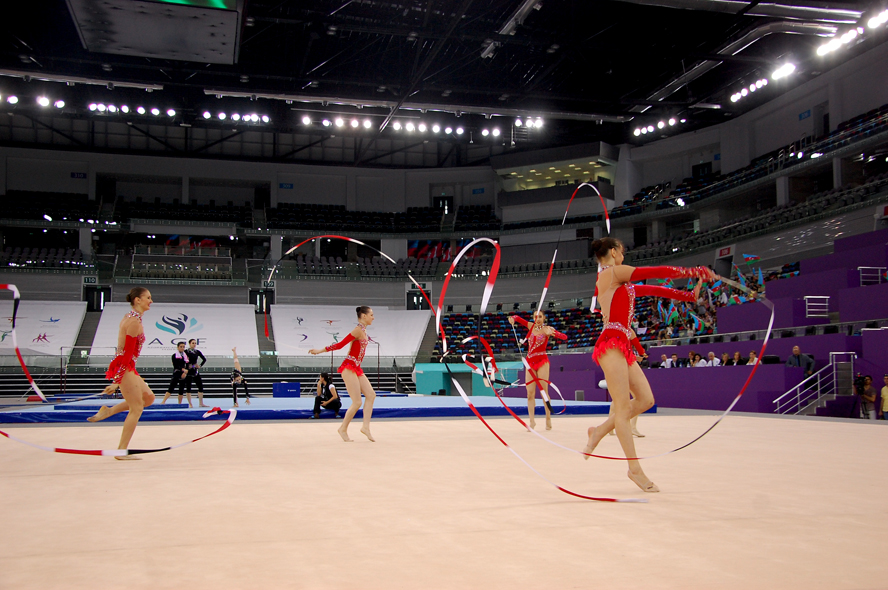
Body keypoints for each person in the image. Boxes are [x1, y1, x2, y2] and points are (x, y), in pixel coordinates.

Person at [582, 237, 715, 493]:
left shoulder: (624, 284)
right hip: (610, 344)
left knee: (645, 400)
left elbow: (656, 289)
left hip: (623, 345)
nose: (624, 254)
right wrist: (691, 271)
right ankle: (634, 470)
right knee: (622, 409)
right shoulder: (611, 274)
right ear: (613, 252)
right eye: (622, 250)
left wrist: (688, 295)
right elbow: (654, 273)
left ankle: (597, 432)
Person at [86, 287, 156, 460]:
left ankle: (108, 411)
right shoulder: (134, 322)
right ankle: (121, 450)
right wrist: (117, 380)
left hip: (127, 366)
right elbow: (125, 353)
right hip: (125, 366)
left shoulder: (131, 317)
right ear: (137, 300)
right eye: (148, 297)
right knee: (137, 408)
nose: (151, 301)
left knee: (148, 398)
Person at [309, 306, 376, 442]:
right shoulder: (357, 330)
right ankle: (343, 429)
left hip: (356, 367)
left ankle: (365, 427)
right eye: (371, 315)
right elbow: (340, 345)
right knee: (357, 402)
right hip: (349, 367)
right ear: (363, 316)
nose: (373, 317)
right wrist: (319, 350)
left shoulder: (363, 330)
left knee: (371, 395)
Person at [509, 310, 568, 431]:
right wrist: (512, 319)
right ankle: (532, 421)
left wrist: (552, 333)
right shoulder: (530, 326)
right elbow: (517, 318)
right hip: (530, 362)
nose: (538, 318)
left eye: (540, 316)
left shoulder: (547, 329)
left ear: (544, 318)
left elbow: (565, 337)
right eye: (536, 316)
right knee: (530, 394)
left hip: (542, 361)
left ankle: (548, 418)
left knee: (544, 392)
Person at [160, 342, 192, 407]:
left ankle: (180, 403)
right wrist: (183, 370)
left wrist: (185, 372)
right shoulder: (174, 356)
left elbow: (188, 365)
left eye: (183, 347)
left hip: (183, 374)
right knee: (171, 388)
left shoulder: (185, 356)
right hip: (177, 373)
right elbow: (176, 365)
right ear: (178, 347)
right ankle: (163, 401)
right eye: (181, 347)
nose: (182, 348)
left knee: (181, 389)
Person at [185, 338, 209, 408]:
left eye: (195, 343)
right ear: (189, 344)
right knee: (188, 388)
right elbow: (183, 360)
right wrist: (186, 367)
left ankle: (201, 403)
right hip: (188, 371)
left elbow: (204, 359)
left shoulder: (197, 352)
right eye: (193, 343)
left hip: (195, 371)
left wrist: (199, 366)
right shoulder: (186, 352)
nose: (194, 344)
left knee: (200, 387)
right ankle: (190, 403)